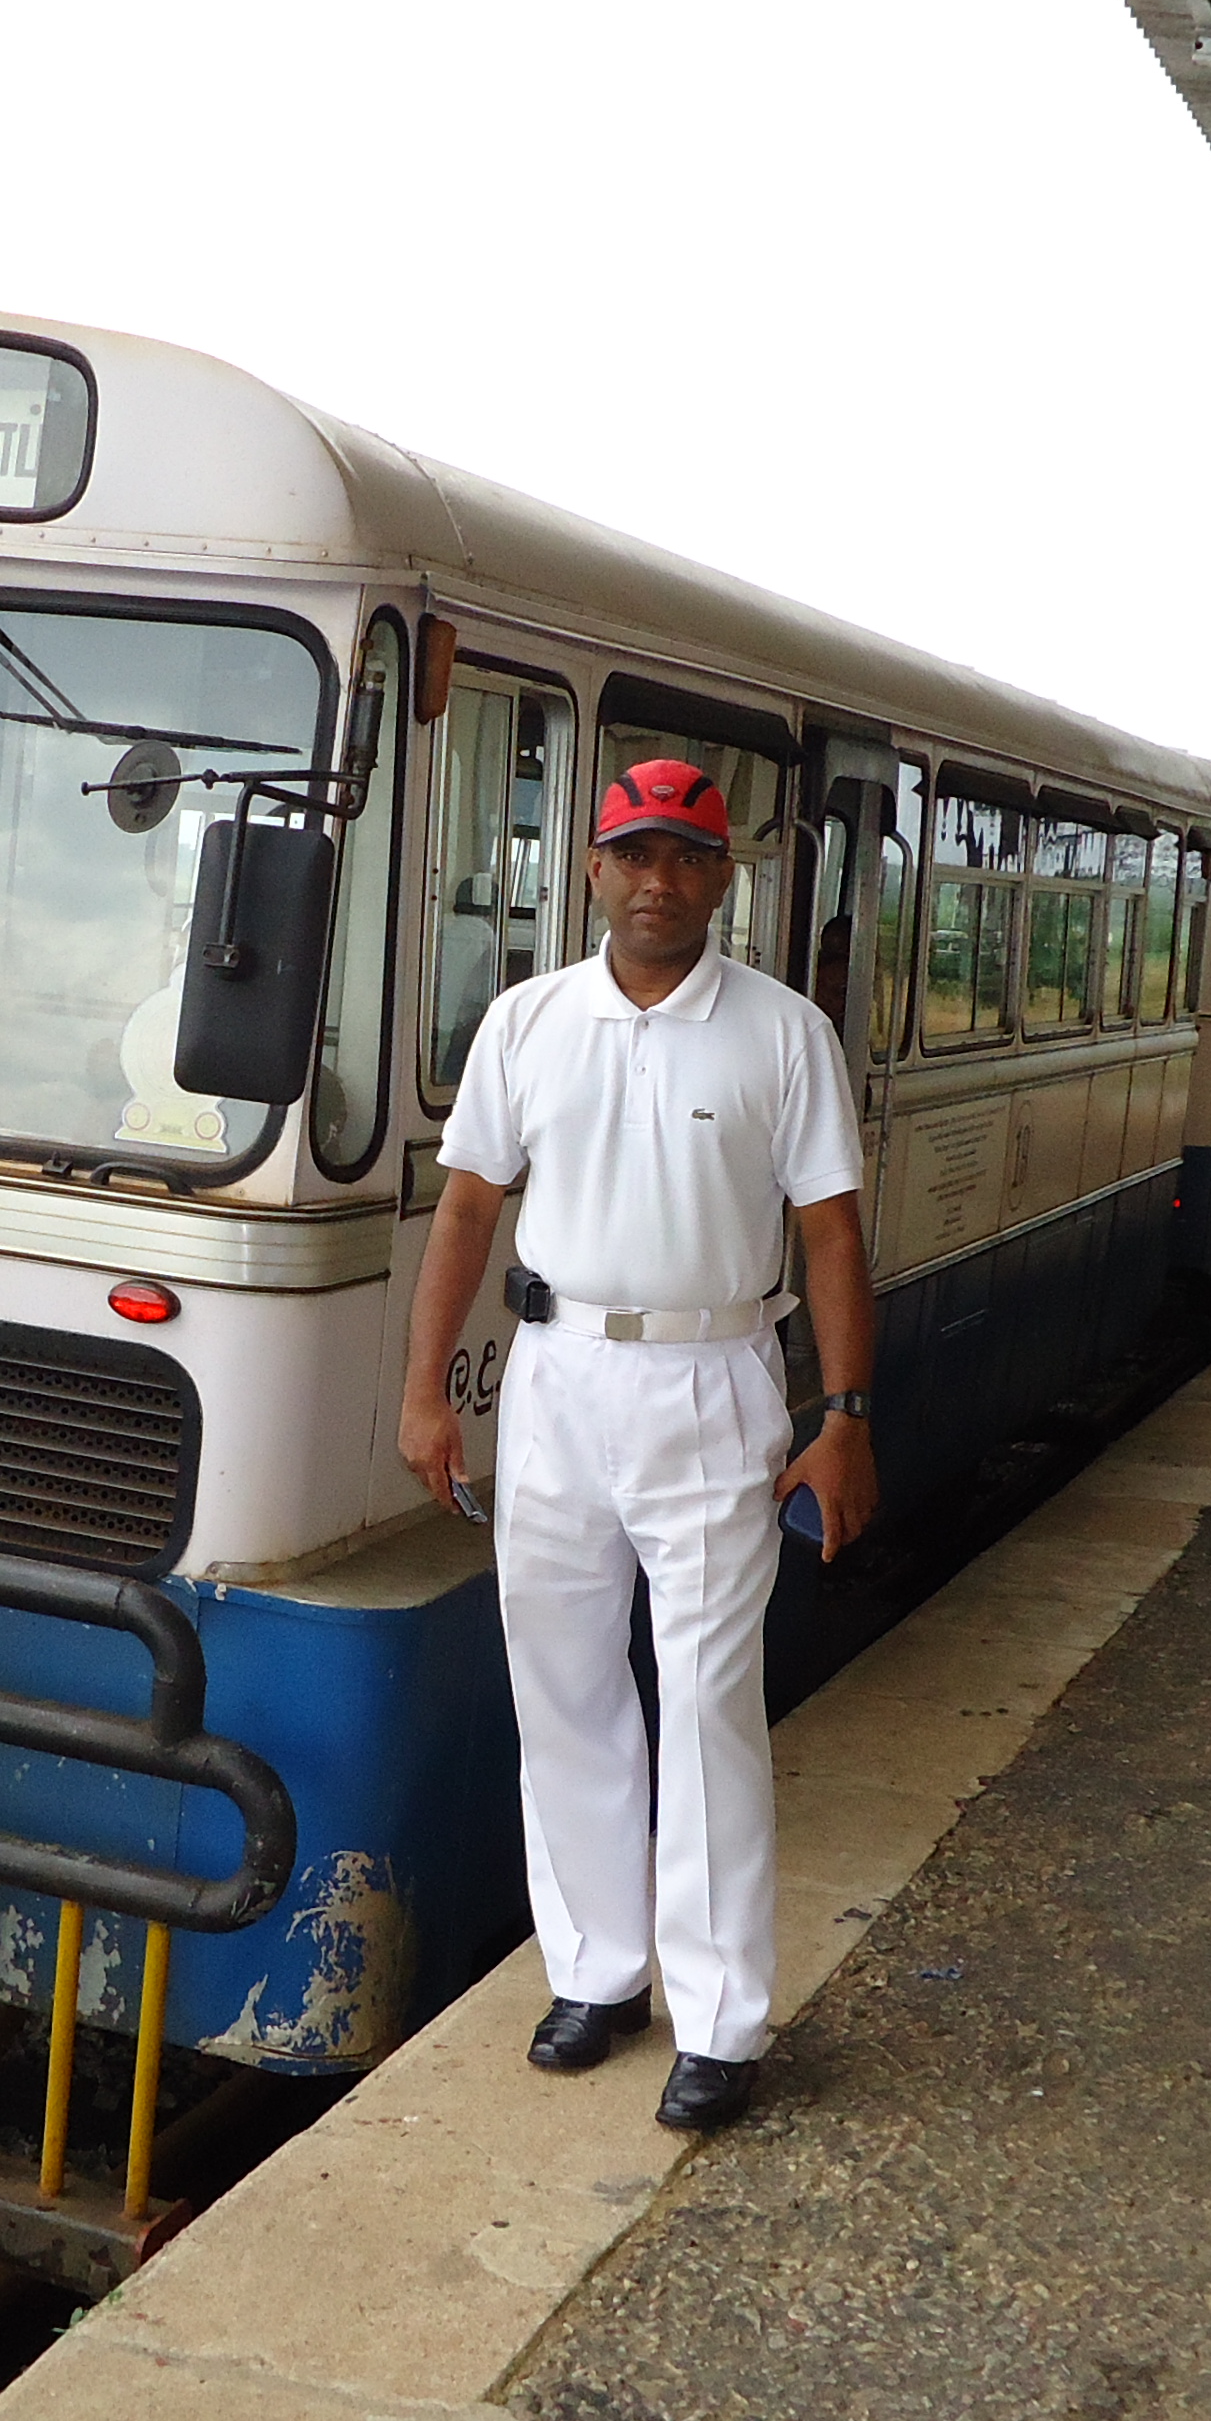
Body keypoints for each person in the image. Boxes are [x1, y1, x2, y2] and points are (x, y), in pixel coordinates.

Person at [398, 755, 879, 2132]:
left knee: (709, 1697)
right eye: (633, 853)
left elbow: (833, 1233)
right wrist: (430, 1393)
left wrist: (844, 1419)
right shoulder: (528, 1022)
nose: (658, 878)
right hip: (555, 1382)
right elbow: (469, 1214)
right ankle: (598, 1973)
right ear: (594, 869)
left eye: (686, 855)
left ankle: (722, 2015)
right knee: (562, 1688)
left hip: (716, 1376)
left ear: (723, 877)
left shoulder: (783, 1034)